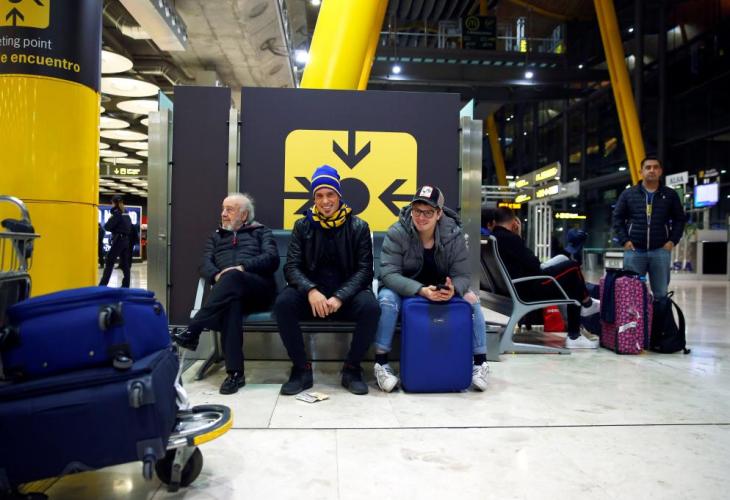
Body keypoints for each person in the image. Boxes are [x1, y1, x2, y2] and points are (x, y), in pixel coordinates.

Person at [273, 165, 380, 396]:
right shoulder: (302, 226)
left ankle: (352, 369)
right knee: (283, 303)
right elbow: (291, 267)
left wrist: (340, 296)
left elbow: (364, 271)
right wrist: (311, 291)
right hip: (313, 297)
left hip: (345, 296)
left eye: (330, 194)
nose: (325, 201)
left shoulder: (359, 227)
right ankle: (301, 369)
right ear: (314, 199)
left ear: (339, 195)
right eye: (319, 195)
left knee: (371, 307)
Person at [374, 185, 489, 392]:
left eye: (428, 212)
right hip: (404, 287)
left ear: (439, 213)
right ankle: (381, 363)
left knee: (472, 299)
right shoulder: (397, 232)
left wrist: (454, 289)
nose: (421, 217)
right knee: (386, 300)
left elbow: (463, 275)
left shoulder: (453, 234)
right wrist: (420, 289)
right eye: (417, 210)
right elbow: (389, 274)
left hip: (440, 288)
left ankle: (480, 363)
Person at [172, 193, 278, 394]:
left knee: (232, 277)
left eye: (229, 210)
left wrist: (241, 268)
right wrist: (216, 275)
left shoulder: (261, 232)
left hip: (258, 290)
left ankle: (193, 329)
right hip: (228, 295)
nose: (223, 214)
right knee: (231, 304)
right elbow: (204, 263)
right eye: (223, 209)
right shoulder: (216, 236)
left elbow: (272, 258)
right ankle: (235, 374)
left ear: (244, 215)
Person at [491, 207, 600, 348]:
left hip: (512, 289)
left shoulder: (495, 238)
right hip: (528, 289)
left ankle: (585, 306)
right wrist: (518, 236)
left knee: (566, 267)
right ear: (513, 224)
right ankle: (577, 327)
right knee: (572, 268)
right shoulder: (510, 239)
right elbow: (535, 265)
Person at [612, 156, 686, 298]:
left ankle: (659, 314)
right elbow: (617, 218)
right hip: (634, 251)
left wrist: (672, 241)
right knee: (632, 294)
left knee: (661, 294)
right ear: (641, 172)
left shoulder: (670, 195)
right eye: (648, 167)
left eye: (655, 167)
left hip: (660, 251)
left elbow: (679, 219)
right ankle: (636, 315)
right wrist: (625, 241)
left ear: (660, 171)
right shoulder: (628, 194)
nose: (652, 170)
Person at [99, 195, 132, 288]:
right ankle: (126, 285)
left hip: (119, 240)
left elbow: (107, 226)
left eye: (112, 203)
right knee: (125, 264)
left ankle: (103, 285)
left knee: (109, 261)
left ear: (115, 203)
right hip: (126, 240)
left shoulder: (117, 214)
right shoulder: (126, 213)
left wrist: (114, 228)